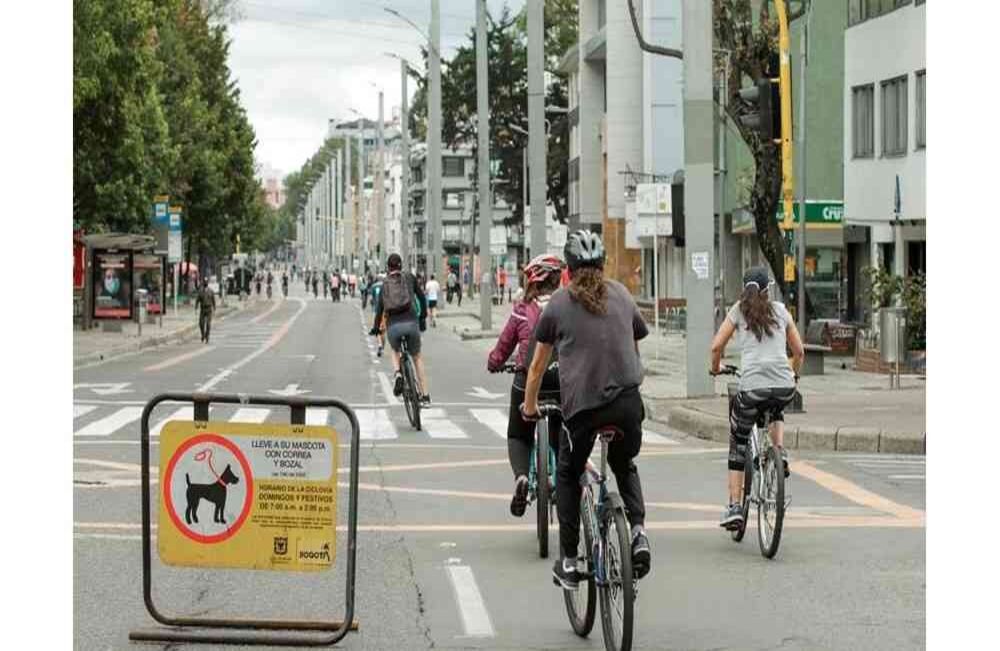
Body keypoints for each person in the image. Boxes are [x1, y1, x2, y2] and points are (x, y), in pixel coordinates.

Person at [521, 229, 651, 589]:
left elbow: (536, 367)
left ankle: (568, 560)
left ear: (569, 269)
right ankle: (638, 532)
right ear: (602, 265)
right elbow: (635, 347)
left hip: (584, 408)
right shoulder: (622, 294)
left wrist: (529, 407)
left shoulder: (559, 303)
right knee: (624, 463)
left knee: (568, 473)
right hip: (628, 403)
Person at [710, 266, 805, 530]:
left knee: (738, 440)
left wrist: (715, 368)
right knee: (776, 407)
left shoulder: (738, 311)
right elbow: (799, 352)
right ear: (767, 290)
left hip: (752, 388)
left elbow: (716, 346)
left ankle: (734, 506)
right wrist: (794, 375)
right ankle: (779, 452)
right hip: (783, 385)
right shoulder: (781, 310)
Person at [487, 254, 563, 516]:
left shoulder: (521, 310)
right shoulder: (568, 306)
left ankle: (521, 476)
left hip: (527, 380)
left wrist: (494, 363)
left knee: (518, 435)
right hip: (562, 381)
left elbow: (503, 346)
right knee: (563, 431)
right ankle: (563, 478)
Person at [370, 253, 430, 404]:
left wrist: (376, 328)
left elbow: (379, 310)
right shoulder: (409, 277)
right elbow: (422, 298)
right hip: (411, 322)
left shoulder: (384, 284)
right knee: (417, 357)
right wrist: (423, 316)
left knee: (395, 350)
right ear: (401, 265)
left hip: (393, 327)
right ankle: (425, 396)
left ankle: (397, 373)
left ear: (388, 267)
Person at [194, 278, 216, 344]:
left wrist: (214, 309)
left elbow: (213, 300)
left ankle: (207, 336)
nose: (205, 283)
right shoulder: (200, 291)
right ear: (203, 283)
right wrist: (196, 308)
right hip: (203, 309)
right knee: (201, 323)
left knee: (208, 324)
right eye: (204, 282)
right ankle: (203, 335)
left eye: (206, 282)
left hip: (209, 309)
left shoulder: (211, 291)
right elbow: (197, 300)